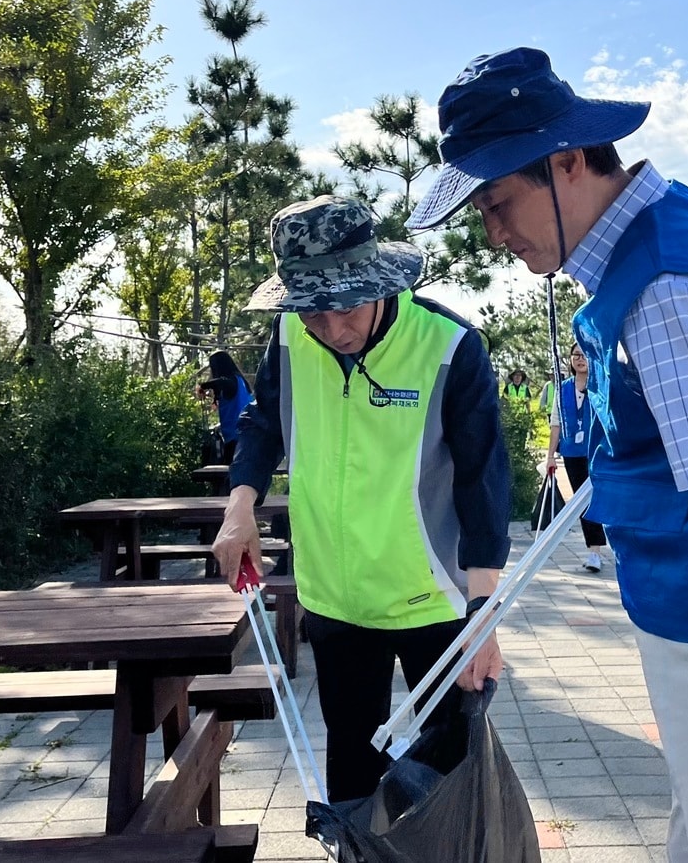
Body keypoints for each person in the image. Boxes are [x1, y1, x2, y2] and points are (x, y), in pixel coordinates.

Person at [409, 47, 688, 863]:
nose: (494, 232)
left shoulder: (667, 285)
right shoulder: (657, 231)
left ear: (567, 162)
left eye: (499, 201)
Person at [210, 195, 512, 803]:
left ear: (378, 281)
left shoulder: (448, 346)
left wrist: (484, 615)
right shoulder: (292, 333)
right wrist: (240, 503)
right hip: (334, 597)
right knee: (351, 761)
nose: (333, 329)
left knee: (448, 773)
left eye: (345, 307)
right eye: (313, 312)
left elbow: (483, 479)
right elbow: (266, 421)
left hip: (434, 601)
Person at [543, 343, 607, 572]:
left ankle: (614, 545)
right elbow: (555, 423)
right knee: (584, 503)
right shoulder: (562, 389)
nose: (580, 359)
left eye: (584, 355)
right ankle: (594, 552)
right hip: (572, 452)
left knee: (604, 498)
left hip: (598, 452)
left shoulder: (600, 385)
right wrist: (551, 456)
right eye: (576, 355)